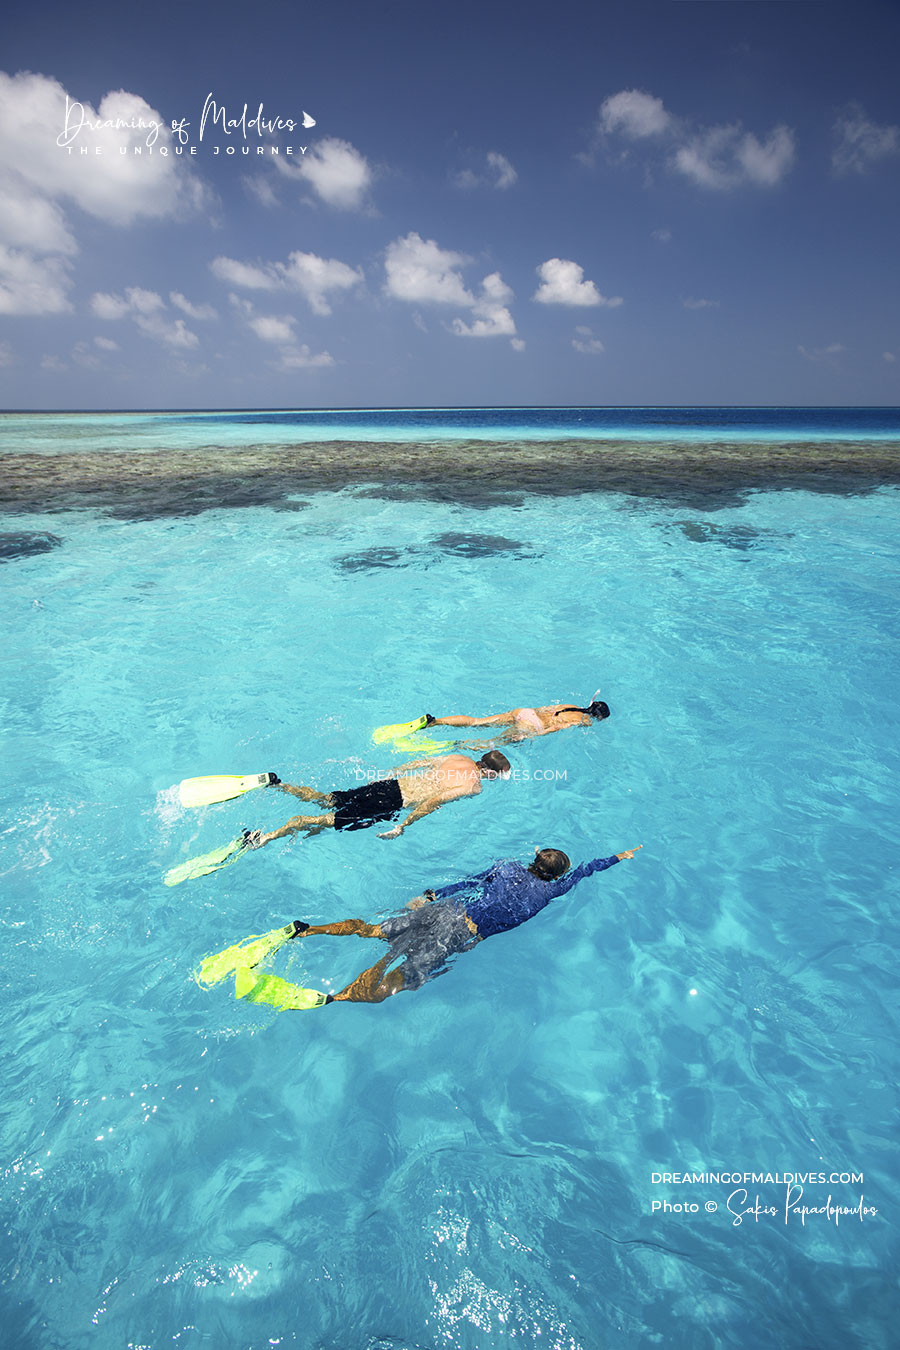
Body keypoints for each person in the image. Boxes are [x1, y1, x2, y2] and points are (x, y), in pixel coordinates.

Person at [199, 844, 641, 1010]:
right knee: (400, 982)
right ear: (553, 876)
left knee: (374, 931)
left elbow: (469, 881)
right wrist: (617, 859)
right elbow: (584, 871)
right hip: (460, 936)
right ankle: (330, 998)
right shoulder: (549, 894)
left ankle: (303, 930)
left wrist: (431, 894)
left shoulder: (507, 867)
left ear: (533, 861)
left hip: (443, 912)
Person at [245, 749, 512, 847]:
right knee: (324, 820)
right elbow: (433, 802)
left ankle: (279, 785)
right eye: (496, 776)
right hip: (394, 803)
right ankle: (264, 838)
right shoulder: (472, 786)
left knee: (328, 799)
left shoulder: (460, 757)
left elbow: (421, 761)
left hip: (391, 784)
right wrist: (403, 826)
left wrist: (391, 774)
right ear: (489, 772)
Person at [422, 698, 610, 745]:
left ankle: (436, 721)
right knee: (492, 743)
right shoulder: (583, 721)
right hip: (532, 725)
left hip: (525, 712)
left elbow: (546, 710)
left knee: (477, 722)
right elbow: (560, 726)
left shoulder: (570, 705)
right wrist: (537, 734)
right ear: (598, 717)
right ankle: (460, 745)